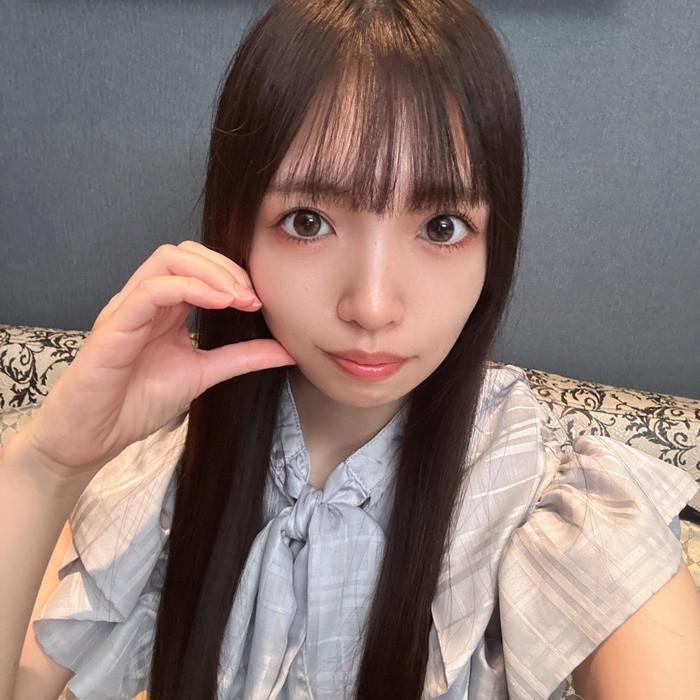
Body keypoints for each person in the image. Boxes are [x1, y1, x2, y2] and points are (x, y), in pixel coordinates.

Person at [2, 1, 699, 699]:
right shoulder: (167, 475)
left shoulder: (550, 505)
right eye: (308, 221)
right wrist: (47, 465)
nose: (370, 306)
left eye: (442, 226)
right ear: (238, 231)